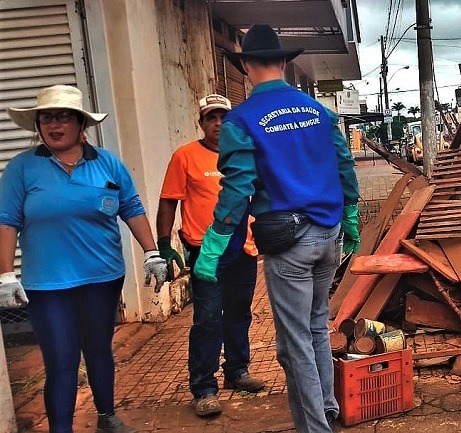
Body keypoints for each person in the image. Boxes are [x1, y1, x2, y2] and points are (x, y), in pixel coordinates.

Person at [193, 24, 360, 433]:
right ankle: (328, 410)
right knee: (317, 325)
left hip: (288, 243)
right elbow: (345, 167)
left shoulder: (242, 119)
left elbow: (237, 188)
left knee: (293, 344)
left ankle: (314, 427)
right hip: (329, 235)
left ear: (246, 65)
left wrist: (213, 244)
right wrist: (351, 218)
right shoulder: (320, 112)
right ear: (284, 62)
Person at [0, 85, 168, 433]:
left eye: (63, 117)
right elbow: (6, 221)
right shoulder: (22, 169)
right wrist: (5, 275)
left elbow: (132, 208)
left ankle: (106, 416)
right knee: (61, 360)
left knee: (98, 350)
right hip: (47, 285)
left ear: (81, 124)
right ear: (38, 125)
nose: (54, 124)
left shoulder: (107, 163)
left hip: (102, 278)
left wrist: (152, 252)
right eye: (46, 118)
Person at [156, 93, 264, 418]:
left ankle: (237, 371)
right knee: (206, 319)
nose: (218, 124)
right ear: (201, 123)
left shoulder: (245, 154)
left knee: (239, 312)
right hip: (206, 253)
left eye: (223, 118)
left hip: (243, 248)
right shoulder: (184, 156)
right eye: (211, 118)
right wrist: (163, 242)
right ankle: (203, 387)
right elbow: (168, 201)